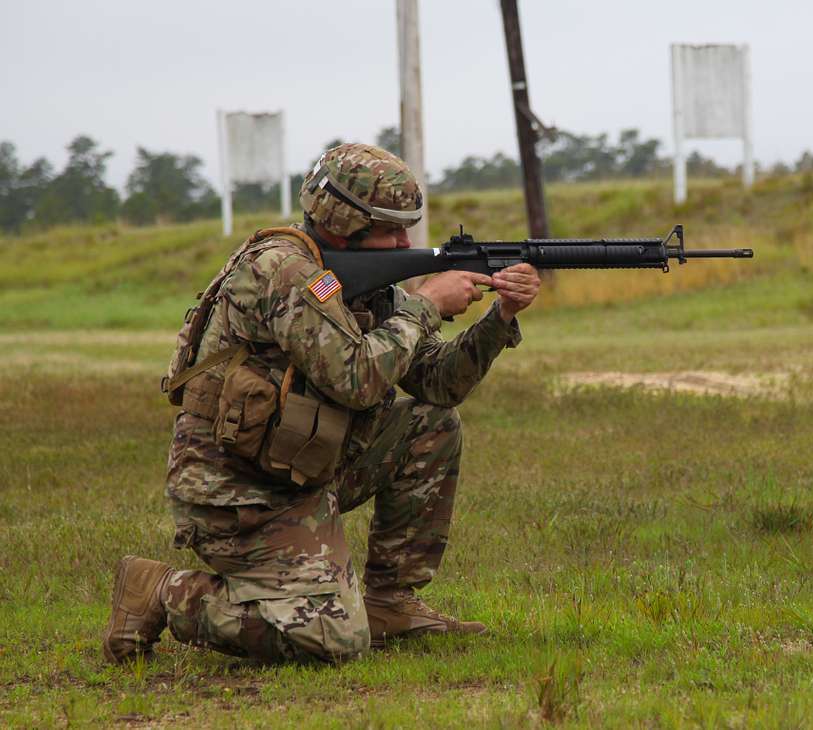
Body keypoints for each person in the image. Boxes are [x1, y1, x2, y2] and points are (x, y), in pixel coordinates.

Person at [102, 142, 541, 664]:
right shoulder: (282, 272)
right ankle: (161, 592)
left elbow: (438, 384)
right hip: (238, 495)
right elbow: (355, 378)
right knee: (331, 638)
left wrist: (500, 320)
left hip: (303, 469)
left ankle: (389, 604)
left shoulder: (367, 286)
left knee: (431, 424)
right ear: (342, 223)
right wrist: (425, 304)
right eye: (391, 230)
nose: (405, 241)